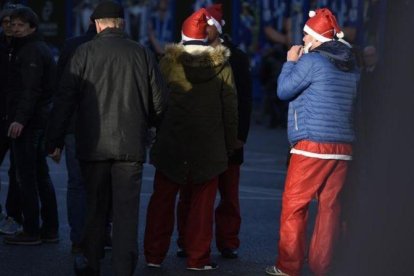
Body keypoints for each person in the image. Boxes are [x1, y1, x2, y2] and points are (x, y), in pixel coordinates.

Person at [46, 1, 167, 275]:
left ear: (97, 24)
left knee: (94, 205)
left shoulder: (84, 52)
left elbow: (64, 99)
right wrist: (149, 125)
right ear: (121, 24)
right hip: (130, 145)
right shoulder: (142, 53)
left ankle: (91, 260)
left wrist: (53, 140)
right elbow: (160, 102)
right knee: (126, 210)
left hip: (93, 143)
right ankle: (124, 266)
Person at [265, 8, 359, 276]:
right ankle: (322, 267)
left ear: (317, 38)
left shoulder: (311, 62)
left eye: (306, 35)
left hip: (312, 145)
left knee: (295, 205)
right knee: (330, 209)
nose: (302, 40)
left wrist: (290, 62)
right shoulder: (351, 63)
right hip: (343, 146)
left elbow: (283, 91)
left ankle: (288, 266)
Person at [143, 8, 238, 271]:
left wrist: (153, 131)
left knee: (162, 201)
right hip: (209, 145)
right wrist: (231, 143)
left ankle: (153, 255)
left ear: (183, 35)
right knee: (202, 206)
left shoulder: (167, 63)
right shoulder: (222, 65)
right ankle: (198, 259)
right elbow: (230, 109)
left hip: (171, 142)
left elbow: (155, 102)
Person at [175, 3, 252, 259]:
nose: (202, 30)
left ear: (216, 29)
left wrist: (241, 135)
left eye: (207, 26)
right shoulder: (192, 52)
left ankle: (228, 241)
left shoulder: (237, 58)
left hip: (228, 137)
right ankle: (186, 240)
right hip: (200, 138)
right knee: (190, 193)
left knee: (228, 195)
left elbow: (244, 99)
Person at [2, 6, 59, 246]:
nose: (15, 28)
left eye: (20, 25)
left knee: (27, 176)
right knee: (39, 174)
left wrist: (19, 119)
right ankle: (49, 229)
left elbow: (30, 90)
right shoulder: (29, 48)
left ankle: (31, 230)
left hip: (29, 122)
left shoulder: (31, 51)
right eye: (12, 24)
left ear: (32, 28)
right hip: (35, 120)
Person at [56, 19, 112, 255]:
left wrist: (54, 136)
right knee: (104, 184)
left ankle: (79, 238)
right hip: (108, 124)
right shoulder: (124, 47)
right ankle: (102, 234)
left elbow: (61, 91)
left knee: (77, 184)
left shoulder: (72, 46)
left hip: (75, 125)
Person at [0, 2, 24, 235]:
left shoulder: (27, 47)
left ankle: (13, 215)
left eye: (13, 23)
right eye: (6, 22)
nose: (9, 27)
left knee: (16, 172)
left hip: (18, 119)